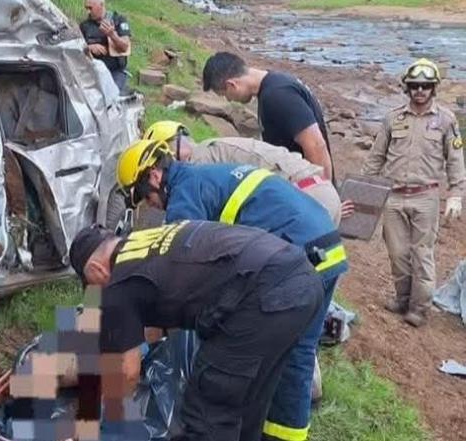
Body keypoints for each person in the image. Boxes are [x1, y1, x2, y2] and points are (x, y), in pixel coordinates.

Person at [116, 139, 348, 441]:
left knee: (274, 357)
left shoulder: (184, 198)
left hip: (301, 255)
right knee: (295, 355)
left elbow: (179, 281)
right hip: (326, 247)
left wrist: (143, 338)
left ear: (155, 176)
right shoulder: (204, 176)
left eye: (145, 197)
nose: (151, 205)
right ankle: (278, 430)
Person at [69, 220, 323, 441]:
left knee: (208, 410)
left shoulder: (116, 284)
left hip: (260, 297)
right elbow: (157, 317)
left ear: (95, 270)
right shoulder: (147, 243)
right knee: (249, 401)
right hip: (302, 280)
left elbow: (126, 373)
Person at [361, 58, 465, 327]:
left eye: (425, 86)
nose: (420, 90)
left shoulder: (446, 120)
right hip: (393, 195)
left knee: (422, 254)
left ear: (434, 88)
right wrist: (363, 191)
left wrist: (456, 194)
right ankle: (402, 298)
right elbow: (376, 157)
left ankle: (419, 308)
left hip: (426, 197)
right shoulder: (392, 118)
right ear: (407, 87)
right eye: (415, 85)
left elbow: (455, 160)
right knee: (397, 253)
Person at [144, 120, 342, 224]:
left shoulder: (198, 164)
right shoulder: (213, 148)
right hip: (319, 190)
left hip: (303, 198)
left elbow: (187, 229)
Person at [202, 52, 335, 182]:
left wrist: (322, 190)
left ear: (231, 85)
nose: (229, 100)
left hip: (309, 187)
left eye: (225, 95)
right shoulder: (274, 84)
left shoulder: (278, 95)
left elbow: (316, 145)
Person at [80, 0, 132, 94]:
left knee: (112, 96)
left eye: (90, 8)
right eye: (86, 8)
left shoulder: (118, 20)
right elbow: (77, 48)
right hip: (93, 71)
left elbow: (125, 47)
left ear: (101, 5)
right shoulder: (85, 26)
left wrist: (112, 35)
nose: (88, 12)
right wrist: (89, 47)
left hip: (115, 71)